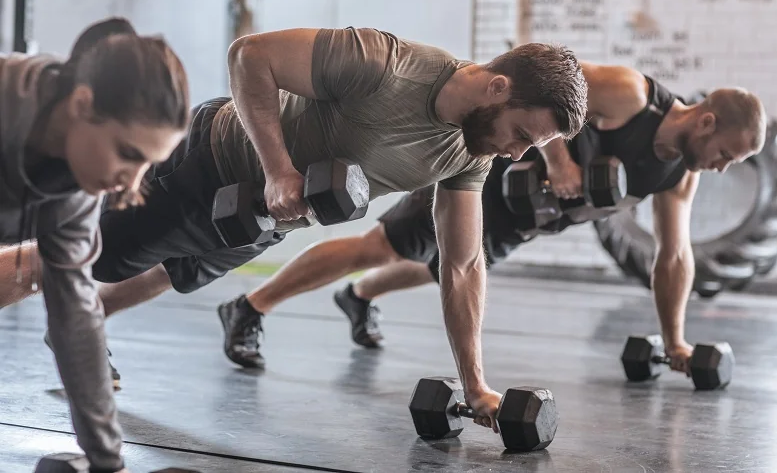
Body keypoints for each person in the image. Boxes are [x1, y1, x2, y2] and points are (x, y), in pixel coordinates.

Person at [0, 26, 589, 433]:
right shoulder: (385, 63)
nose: (517, 155)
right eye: (522, 135)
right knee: (67, 262)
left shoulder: (471, 152)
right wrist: (280, 169)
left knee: (174, 273)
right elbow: (249, 55)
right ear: (497, 88)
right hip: (211, 167)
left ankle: (82, 324)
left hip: (262, 217)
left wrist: (476, 384)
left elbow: (461, 265)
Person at [215, 62, 767, 375]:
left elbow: (674, 256)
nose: (721, 169)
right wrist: (561, 160)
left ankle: (358, 298)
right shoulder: (630, 94)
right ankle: (248, 306)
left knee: (438, 270)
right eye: (727, 155)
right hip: (493, 176)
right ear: (708, 121)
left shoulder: (679, 175)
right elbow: (552, 97)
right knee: (381, 247)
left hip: (530, 220)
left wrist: (676, 342)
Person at [0, 17, 190, 472]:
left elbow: (76, 320)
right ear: (82, 104)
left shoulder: (78, 198)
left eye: (148, 163)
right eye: (128, 153)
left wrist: (107, 462)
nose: (132, 183)